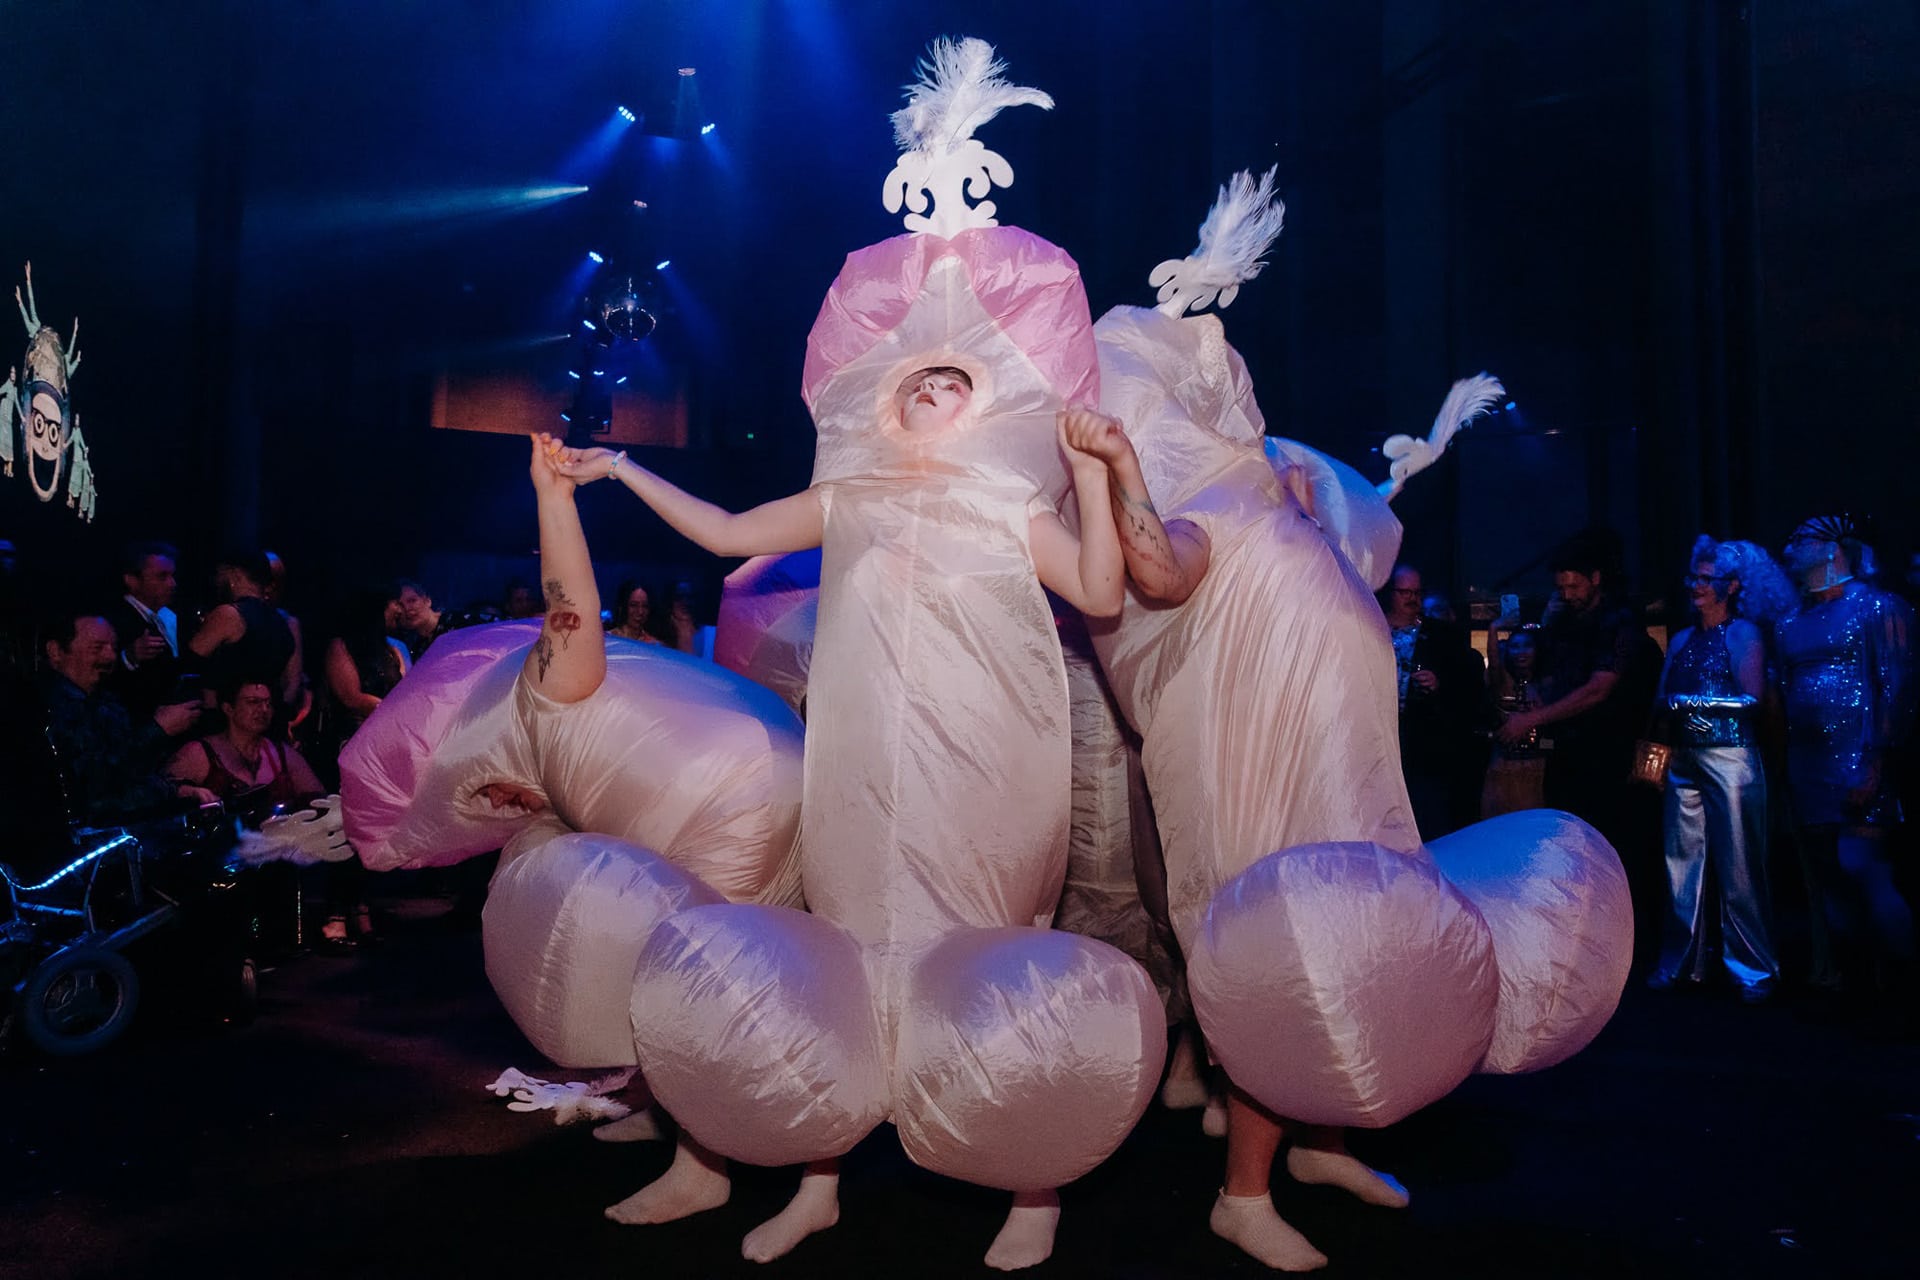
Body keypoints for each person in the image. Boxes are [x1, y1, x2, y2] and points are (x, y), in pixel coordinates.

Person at [543, 360, 1129, 1268]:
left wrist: (1089, 471)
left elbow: (1099, 593)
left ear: (987, 408)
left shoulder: (1013, 502)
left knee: (993, 951)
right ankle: (820, 1186)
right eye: (915, 386)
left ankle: (1033, 1185)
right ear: (888, 413)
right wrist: (618, 467)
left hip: (987, 769)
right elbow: (726, 532)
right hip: (860, 771)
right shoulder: (849, 495)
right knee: (843, 955)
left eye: (952, 383)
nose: (930, 393)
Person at [1776, 515, 1915, 1002]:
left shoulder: (1878, 607)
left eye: (1802, 538)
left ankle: (1901, 988)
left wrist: (1876, 760)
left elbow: (1895, 686)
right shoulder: (1790, 621)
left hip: (1859, 758)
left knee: (1861, 865)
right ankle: (1856, 987)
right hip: (1808, 765)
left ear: (1833, 547)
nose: (1791, 545)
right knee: (1829, 877)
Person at [1649, 537, 1792, 1000]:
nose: (1696, 586)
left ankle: (1753, 968)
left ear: (1730, 586)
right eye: (1694, 577)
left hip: (1731, 757)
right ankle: (1681, 962)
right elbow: (1659, 701)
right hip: (1685, 758)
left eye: (1705, 579)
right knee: (1679, 863)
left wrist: (1694, 702)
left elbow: (1751, 698)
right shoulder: (1684, 638)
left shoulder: (1743, 633)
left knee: (1740, 866)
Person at [39, 607, 215, 822]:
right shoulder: (45, 708)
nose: (110, 656)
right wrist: (157, 730)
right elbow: (94, 785)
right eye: (98, 648)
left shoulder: (104, 700)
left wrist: (176, 790)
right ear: (56, 651)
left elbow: (131, 775)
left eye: (113, 647)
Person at [1381, 563, 1489, 837]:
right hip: (1379, 739)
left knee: (1428, 822)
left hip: (1426, 747)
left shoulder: (1442, 635)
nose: (1411, 598)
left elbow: (1469, 685)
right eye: (1404, 591)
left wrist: (1439, 683)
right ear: (1391, 593)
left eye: (1417, 592)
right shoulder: (1372, 627)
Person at [167, 677, 325, 808]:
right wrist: (187, 791)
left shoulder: (282, 753)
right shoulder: (200, 753)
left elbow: (320, 800)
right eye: (253, 702)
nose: (264, 709)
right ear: (229, 708)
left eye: (268, 703)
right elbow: (160, 792)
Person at [187, 550, 300, 713]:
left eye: (220, 574)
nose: (217, 581)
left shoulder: (229, 615)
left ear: (235, 575)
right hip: (266, 719)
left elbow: (190, 662)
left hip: (226, 721)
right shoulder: (286, 622)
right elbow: (292, 682)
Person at [105, 540, 183, 717]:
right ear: (132, 580)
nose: (172, 584)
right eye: (162, 576)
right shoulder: (113, 621)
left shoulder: (169, 617)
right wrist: (128, 656)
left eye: (173, 575)